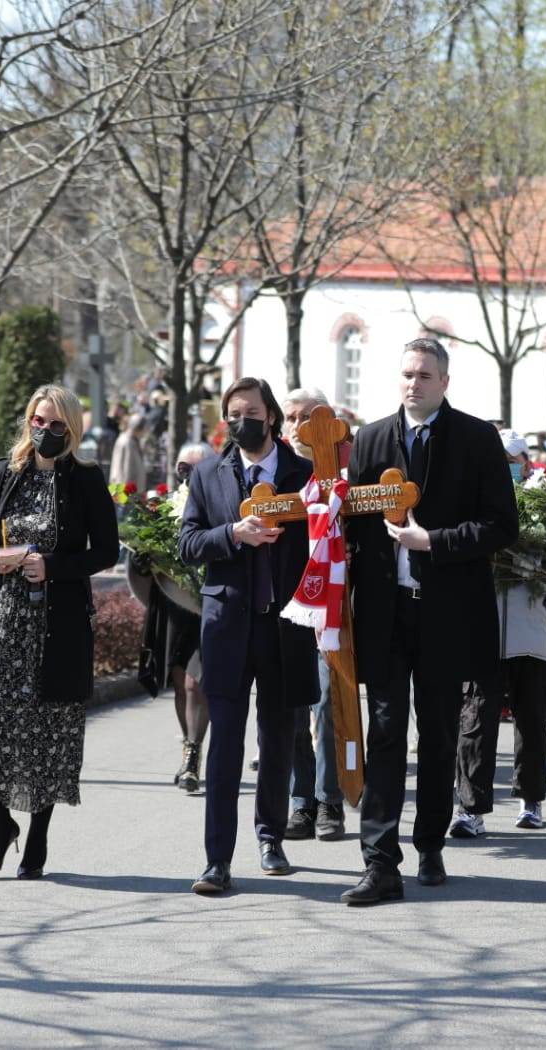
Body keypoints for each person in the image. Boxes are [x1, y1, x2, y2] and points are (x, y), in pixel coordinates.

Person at [340, 337, 517, 905]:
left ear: (444, 381)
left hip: (446, 614)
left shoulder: (474, 437)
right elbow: (354, 522)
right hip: (386, 615)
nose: (413, 383)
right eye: (406, 373)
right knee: (386, 732)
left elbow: (500, 525)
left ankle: (430, 843)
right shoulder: (370, 439)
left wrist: (432, 541)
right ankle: (378, 861)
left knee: (438, 735)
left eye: (424, 375)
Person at [0, 384, 117, 880]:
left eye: (55, 425)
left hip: (57, 624)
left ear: (72, 430)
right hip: (3, 617)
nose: (44, 431)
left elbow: (105, 551)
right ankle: (1, 825)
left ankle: (38, 837)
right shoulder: (7, 472)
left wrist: (52, 566)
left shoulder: (86, 479)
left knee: (48, 733)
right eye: (38, 421)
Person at [177, 377, 322, 895]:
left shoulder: (304, 474)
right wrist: (232, 536)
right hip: (228, 626)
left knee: (278, 742)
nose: (243, 422)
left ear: (273, 417)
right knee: (225, 748)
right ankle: (217, 860)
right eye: (234, 413)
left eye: (252, 412)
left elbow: (324, 542)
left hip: (284, 625)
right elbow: (188, 542)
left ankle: (271, 838)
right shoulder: (209, 474)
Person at [451, 430, 546, 838]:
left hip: (533, 634)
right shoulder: (474, 503)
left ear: (526, 462)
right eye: (500, 459)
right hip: (484, 631)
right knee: (476, 719)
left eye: (513, 459)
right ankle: (470, 808)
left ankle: (530, 800)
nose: (507, 466)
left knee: (533, 720)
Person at [278, 386, 347, 842]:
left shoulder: (342, 476)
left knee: (325, 705)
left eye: (309, 416)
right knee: (291, 705)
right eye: (291, 417)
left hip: (331, 607)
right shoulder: (277, 476)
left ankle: (329, 803)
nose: (300, 425)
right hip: (286, 607)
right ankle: (300, 802)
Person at [135, 441, 213, 793]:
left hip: (208, 607)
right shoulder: (162, 508)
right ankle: (189, 745)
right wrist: (142, 560)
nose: (188, 474)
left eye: (196, 468)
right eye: (183, 467)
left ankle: (194, 754)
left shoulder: (220, 504)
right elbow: (143, 556)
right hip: (174, 606)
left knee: (198, 683)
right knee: (182, 682)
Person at [110, 413, 148, 488]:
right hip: (126, 492)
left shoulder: (133, 441)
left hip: (132, 491)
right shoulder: (126, 442)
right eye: (144, 429)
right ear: (137, 429)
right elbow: (124, 471)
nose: (145, 432)